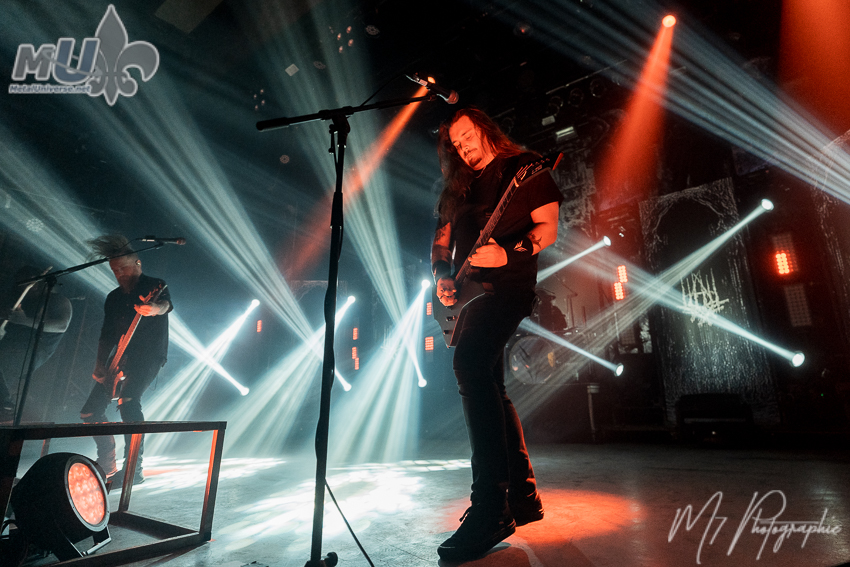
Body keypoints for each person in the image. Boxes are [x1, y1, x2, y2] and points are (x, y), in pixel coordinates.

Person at [431, 108, 563, 561]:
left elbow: (548, 228)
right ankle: (522, 496)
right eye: (456, 143)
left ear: (485, 129)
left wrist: (507, 253)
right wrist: (442, 277)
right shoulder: (456, 190)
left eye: (468, 136)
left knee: (468, 365)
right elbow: (441, 243)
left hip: (508, 288)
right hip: (468, 296)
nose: (464, 146)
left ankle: (491, 506)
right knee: (490, 380)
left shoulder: (523, 168)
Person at [80, 235, 172, 486]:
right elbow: (106, 335)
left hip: (149, 356)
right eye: (115, 270)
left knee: (128, 401)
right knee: (89, 412)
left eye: (123, 268)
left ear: (137, 263)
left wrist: (154, 309)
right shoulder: (113, 297)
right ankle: (107, 461)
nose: (119, 274)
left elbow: (166, 305)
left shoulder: (154, 285)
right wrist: (100, 364)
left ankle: (134, 469)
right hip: (119, 358)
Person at [0, 266, 73, 423]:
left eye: (32, 282)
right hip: (12, 346)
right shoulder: (22, 300)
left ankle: (5, 406)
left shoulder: (57, 300)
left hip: (36, 349)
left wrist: (24, 320)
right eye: (22, 284)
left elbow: (61, 326)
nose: (30, 287)